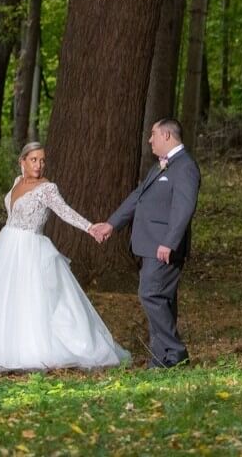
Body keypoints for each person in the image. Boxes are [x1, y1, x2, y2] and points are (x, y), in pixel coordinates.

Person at [0, 142, 129, 373]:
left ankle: (35, 349)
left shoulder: (47, 188)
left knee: (34, 299)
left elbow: (64, 211)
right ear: (22, 162)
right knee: (2, 298)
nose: (39, 165)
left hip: (30, 247)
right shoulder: (18, 182)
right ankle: (0, 347)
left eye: (42, 160)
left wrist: (90, 228)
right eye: (34, 160)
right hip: (7, 245)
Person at [89, 119, 200, 368]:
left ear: (168, 136)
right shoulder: (160, 166)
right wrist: (111, 225)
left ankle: (176, 351)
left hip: (164, 247)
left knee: (149, 293)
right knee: (163, 299)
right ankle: (162, 360)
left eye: (153, 134)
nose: (150, 140)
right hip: (149, 245)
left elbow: (183, 209)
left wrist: (169, 242)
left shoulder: (185, 167)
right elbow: (136, 197)